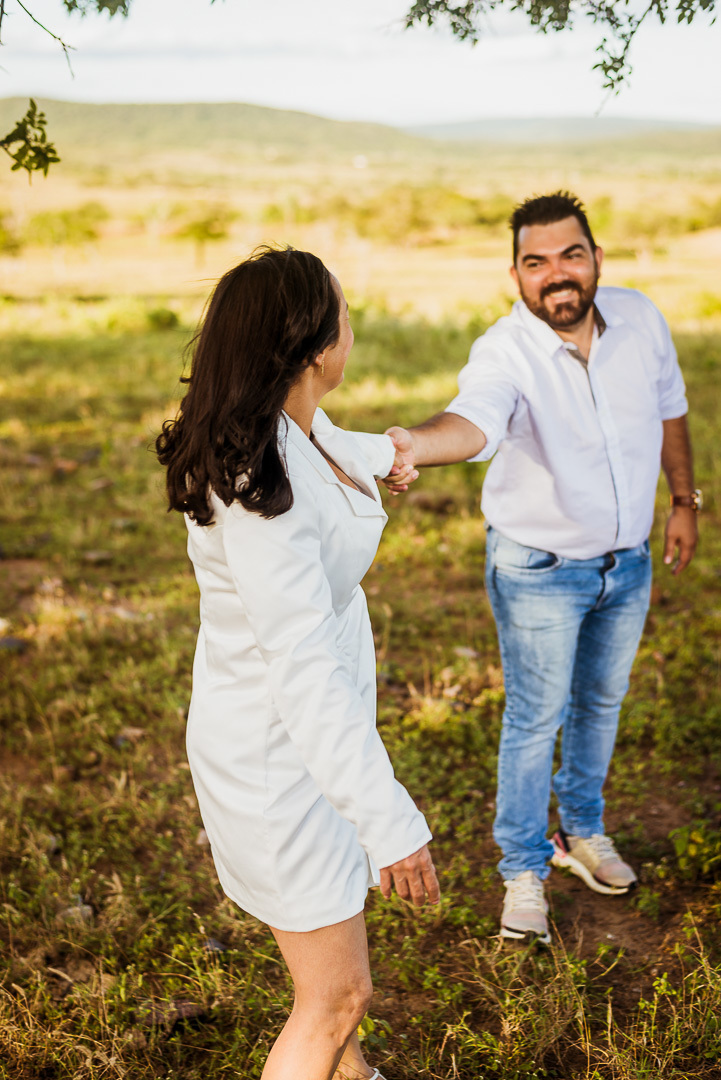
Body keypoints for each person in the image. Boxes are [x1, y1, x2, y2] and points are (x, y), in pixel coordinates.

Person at [156, 245, 439, 1080]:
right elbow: (303, 671)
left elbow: (347, 451)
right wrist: (387, 820)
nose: (352, 330)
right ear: (315, 347)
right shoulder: (257, 488)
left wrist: (399, 451)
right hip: (282, 756)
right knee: (337, 998)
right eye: (343, 317)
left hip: (305, 744)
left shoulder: (292, 433)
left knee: (334, 979)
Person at [385, 191, 698, 945]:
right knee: (534, 719)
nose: (555, 274)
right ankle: (523, 868)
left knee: (601, 703)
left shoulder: (641, 319)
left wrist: (683, 499)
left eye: (569, 255)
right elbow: (475, 420)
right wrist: (414, 446)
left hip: (624, 565)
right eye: (535, 262)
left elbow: (670, 408)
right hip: (539, 568)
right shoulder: (505, 350)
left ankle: (582, 832)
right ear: (515, 275)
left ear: (595, 259)